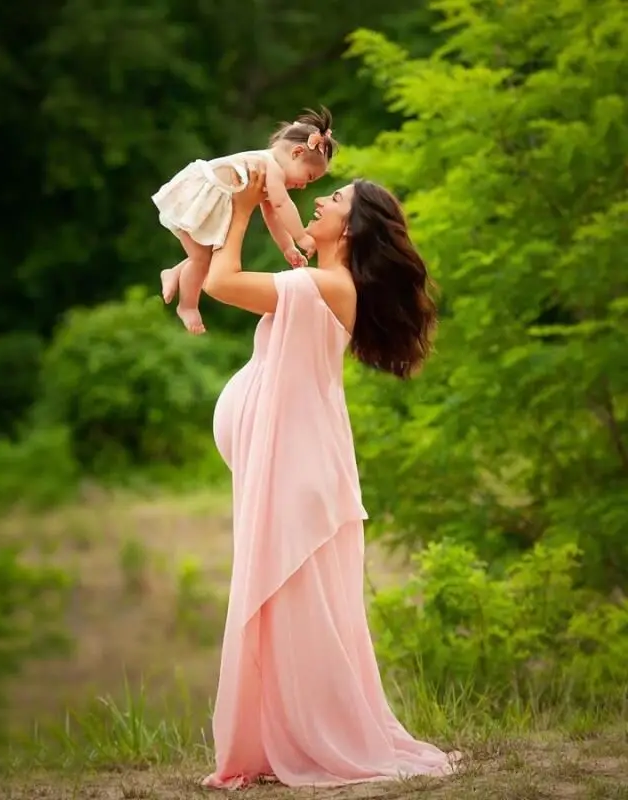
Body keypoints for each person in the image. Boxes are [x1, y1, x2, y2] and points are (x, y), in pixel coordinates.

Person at [201, 165, 459, 788]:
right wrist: (266, 201)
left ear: (353, 228)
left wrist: (234, 215)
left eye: (335, 199)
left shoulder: (328, 284)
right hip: (289, 461)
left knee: (294, 609)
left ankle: (315, 736)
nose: (322, 199)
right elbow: (288, 226)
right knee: (286, 609)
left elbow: (221, 282)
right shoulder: (319, 279)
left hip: (298, 468)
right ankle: (281, 735)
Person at [152, 107, 336, 334]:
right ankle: (187, 305)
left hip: (210, 200)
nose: (304, 186)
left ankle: (174, 272)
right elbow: (281, 206)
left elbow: (272, 215)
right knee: (201, 260)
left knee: (207, 256)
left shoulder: (270, 172)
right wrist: (301, 237)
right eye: (308, 177)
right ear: (296, 153)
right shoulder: (272, 168)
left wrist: (288, 247)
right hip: (199, 196)